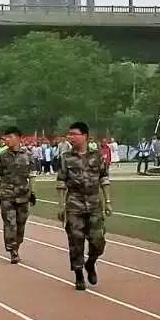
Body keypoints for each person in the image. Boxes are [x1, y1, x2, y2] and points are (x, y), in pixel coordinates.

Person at [56, 122, 113, 290]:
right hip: (74, 204)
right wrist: (61, 205)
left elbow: (104, 178)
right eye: (69, 134)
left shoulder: (97, 156)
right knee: (76, 241)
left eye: (74, 134)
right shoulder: (66, 158)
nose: (71, 137)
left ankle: (90, 263)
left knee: (98, 241)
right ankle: (79, 274)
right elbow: (61, 182)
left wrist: (108, 201)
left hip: (94, 204)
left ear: (85, 136)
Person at [0, 126, 36, 264]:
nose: (7, 140)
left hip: (23, 195)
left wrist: (33, 192)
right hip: (7, 195)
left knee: (21, 224)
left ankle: (17, 244)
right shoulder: (1, 157)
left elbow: (32, 176)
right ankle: (12, 250)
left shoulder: (28, 155)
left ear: (19, 138)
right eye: (6, 137)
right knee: (10, 223)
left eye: (10, 137)